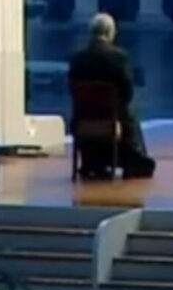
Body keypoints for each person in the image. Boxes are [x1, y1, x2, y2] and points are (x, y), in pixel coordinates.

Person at [67, 13, 157, 179]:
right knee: (130, 113)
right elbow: (127, 91)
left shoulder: (77, 59)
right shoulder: (119, 58)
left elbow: (71, 90)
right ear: (110, 33)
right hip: (111, 119)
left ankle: (93, 161)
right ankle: (133, 158)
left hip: (82, 119)